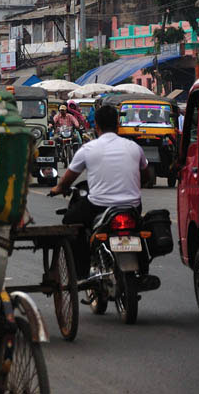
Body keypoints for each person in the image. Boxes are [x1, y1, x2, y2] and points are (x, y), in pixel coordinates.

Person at [50, 104, 155, 275]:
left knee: (69, 220)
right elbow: (146, 177)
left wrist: (57, 189)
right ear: (118, 125)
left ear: (96, 126)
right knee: (140, 227)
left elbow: (66, 181)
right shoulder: (134, 147)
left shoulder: (88, 149)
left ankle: (81, 271)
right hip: (132, 207)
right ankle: (143, 268)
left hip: (99, 206)